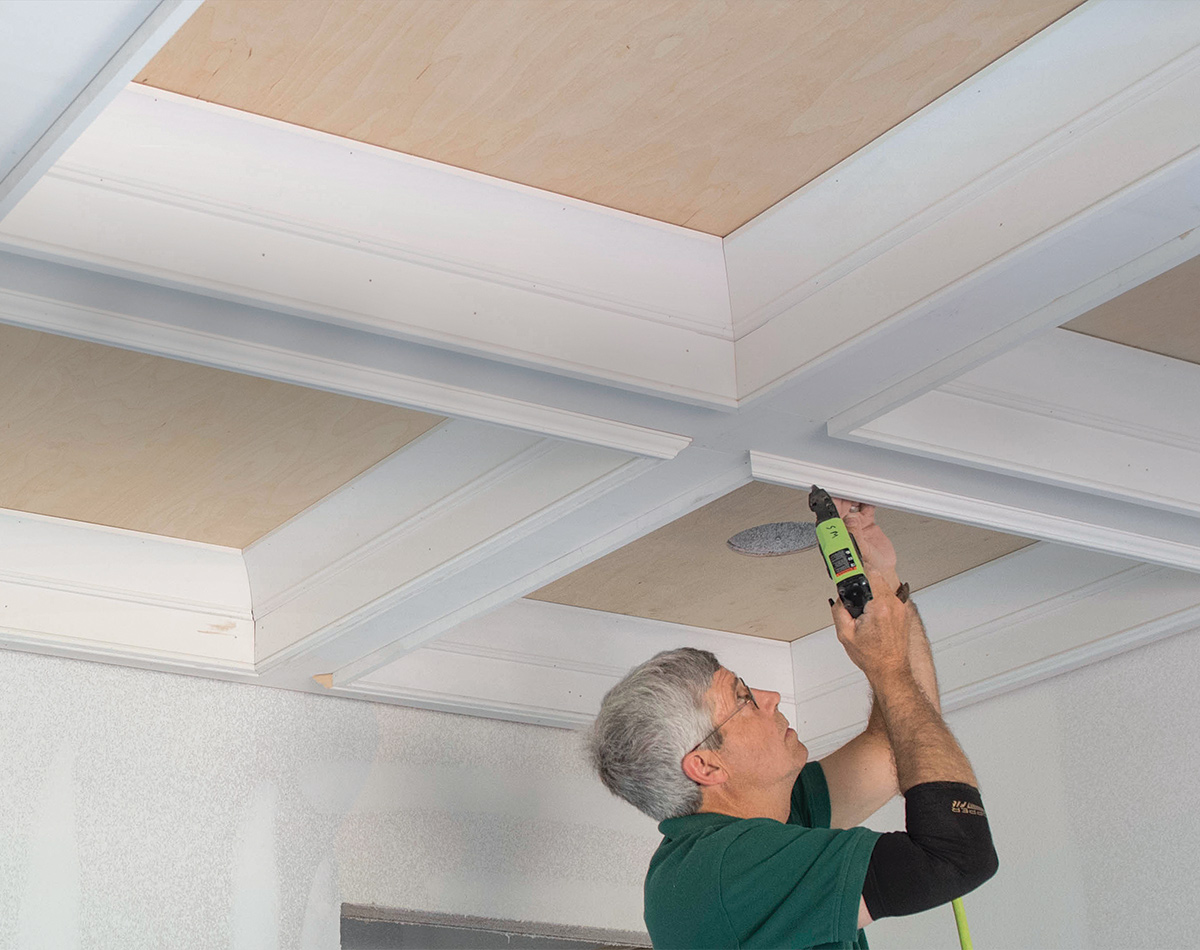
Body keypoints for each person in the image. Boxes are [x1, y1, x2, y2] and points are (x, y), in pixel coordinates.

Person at [588, 501, 998, 949]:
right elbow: (956, 856)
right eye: (743, 698)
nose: (770, 698)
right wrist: (886, 669)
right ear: (705, 767)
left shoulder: (767, 823)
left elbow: (894, 746)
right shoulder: (725, 869)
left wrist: (883, 584)